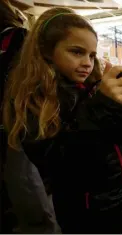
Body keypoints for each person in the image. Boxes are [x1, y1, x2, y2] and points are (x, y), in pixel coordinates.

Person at [3, 7, 122, 234]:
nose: (87, 62)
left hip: (121, 202)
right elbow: (63, 165)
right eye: (77, 52)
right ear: (46, 51)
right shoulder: (35, 103)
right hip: (85, 218)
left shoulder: (94, 89)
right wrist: (101, 107)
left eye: (92, 55)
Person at [0, 1, 58, 233]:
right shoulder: (18, 38)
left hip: (20, 119)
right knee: (23, 178)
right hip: (19, 119)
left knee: (23, 178)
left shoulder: (18, 38)